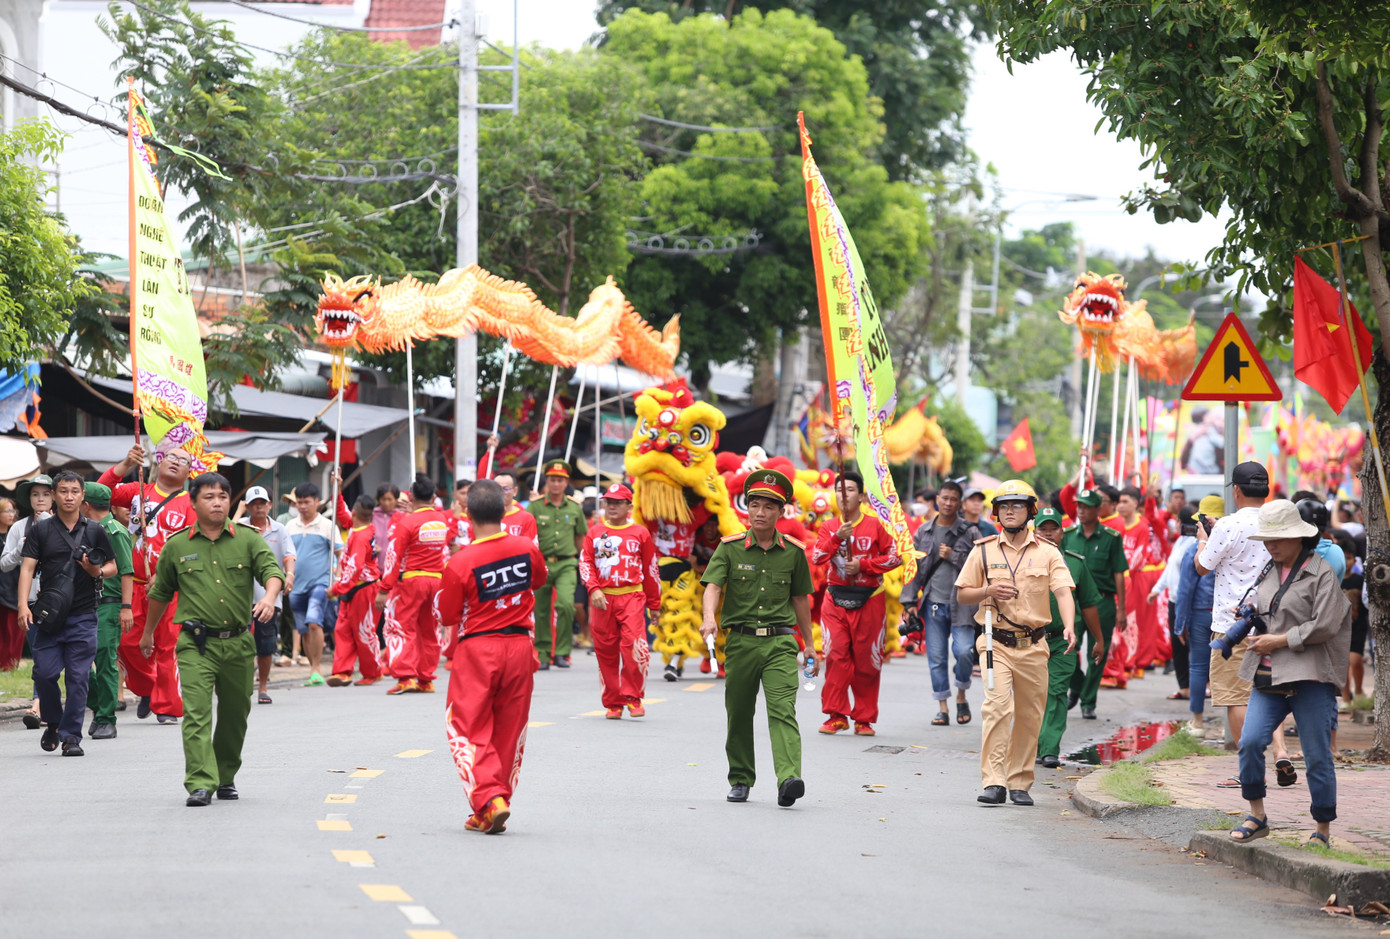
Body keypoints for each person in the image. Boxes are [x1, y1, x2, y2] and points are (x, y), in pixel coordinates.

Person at [141, 472, 283, 806]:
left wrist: (268, 598)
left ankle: (225, 775)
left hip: (237, 642)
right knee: (196, 713)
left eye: (222, 496)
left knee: (235, 715)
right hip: (195, 644)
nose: (217, 502)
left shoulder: (248, 539)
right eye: (209, 496)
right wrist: (148, 632)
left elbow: (272, 572)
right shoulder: (177, 545)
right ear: (193, 502)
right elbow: (160, 593)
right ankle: (201, 782)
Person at [1227, 500, 1351, 847]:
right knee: (1250, 743)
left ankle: (1322, 830)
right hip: (1267, 677)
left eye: (1278, 539)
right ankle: (1257, 815)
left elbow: (1326, 625)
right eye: (1267, 539)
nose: (1271, 545)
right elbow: (1265, 607)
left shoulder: (1322, 572)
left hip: (1309, 677)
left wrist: (1279, 640)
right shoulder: (1268, 568)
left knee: (1316, 756)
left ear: (1299, 537)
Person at [436, 479, 548, 834]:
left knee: (466, 727)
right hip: (519, 647)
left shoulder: (460, 561)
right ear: (505, 510)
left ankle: (489, 797)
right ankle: (492, 805)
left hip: (478, 649)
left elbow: (449, 616)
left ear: (467, 514)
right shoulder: (526, 548)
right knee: (509, 728)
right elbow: (539, 580)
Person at [701, 469, 817, 807]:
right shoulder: (730, 549)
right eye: (754, 504)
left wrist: (809, 644)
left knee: (783, 709)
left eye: (769, 506)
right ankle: (740, 777)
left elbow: (799, 599)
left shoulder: (793, 552)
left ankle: (788, 778)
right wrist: (710, 617)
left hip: (781, 643)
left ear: (781, 513)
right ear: (746, 508)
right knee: (739, 712)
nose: (760, 512)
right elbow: (713, 587)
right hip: (740, 642)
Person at [954, 479, 1075, 805]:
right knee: (996, 708)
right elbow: (963, 593)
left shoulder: (1048, 552)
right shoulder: (983, 550)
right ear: (996, 512)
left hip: (1034, 646)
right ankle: (993, 781)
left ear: (1029, 511)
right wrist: (988, 592)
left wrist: (1069, 627)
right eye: (1004, 506)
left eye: (1017, 505)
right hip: (995, 642)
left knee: (1029, 715)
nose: (1009, 511)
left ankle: (1019, 781)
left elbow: (1063, 590)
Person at [16, 472, 117, 756]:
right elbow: (26, 568)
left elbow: (112, 566)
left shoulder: (96, 530)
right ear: (55, 495)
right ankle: (53, 722)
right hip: (48, 617)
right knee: (44, 674)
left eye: (74, 491)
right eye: (63, 491)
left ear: (83, 495)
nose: (69, 496)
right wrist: (23, 605)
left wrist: (95, 571)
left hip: (84, 615)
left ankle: (72, 736)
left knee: (78, 677)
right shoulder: (41, 530)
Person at [99, 444, 196, 724]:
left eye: (184, 460)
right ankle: (149, 689)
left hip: (168, 588)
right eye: (172, 457)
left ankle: (166, 706)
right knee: (127, 644)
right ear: (160, 462)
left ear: (189, 472)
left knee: (167, 646)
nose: (176, 462)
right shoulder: (138, 491)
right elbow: (101, 492)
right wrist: (127, 463)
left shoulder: (189, 503)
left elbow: (190, 546)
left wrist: (167, 572)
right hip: (134, 585)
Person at [809, 470, 903, 737]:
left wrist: (863, 565)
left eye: (849, 490)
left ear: (861, 496)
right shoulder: (829, 527)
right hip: (835, 600)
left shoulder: (876, 526)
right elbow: (816, 557)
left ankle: (864, 719)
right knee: (836, 656)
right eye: (839, 490)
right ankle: (836, 715)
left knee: (868, 662)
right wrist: (837, 536)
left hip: (870, 601)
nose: (843, 495)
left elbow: (895, 557)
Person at [1196, 462, 1270, 786]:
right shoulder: (1278, 523)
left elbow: (1202, 567)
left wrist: (1203, 539)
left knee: (1236, 698)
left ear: (1236, 491)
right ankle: (1275, 756)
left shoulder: (1227, 526)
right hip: (1272, 623)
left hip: (1232, 625)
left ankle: (1248, 771)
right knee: (1267, 694)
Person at [899, 479, 977, 726]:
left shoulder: (970, 532)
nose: (948, 503)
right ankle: (942, 706)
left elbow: (979, 568)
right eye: (944, 498)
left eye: (954, 499)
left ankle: (961, 695)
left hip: (962, 604)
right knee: (937, 657)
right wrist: (909, 602)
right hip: (933, 602)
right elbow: (914, 568)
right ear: (937, 500)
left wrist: (952, 556)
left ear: (959, 503)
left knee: (964, 652)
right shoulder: (923, 531)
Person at [578, 483, 660, 719]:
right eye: (608, 502)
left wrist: (654, 604)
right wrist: (593, 589)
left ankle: (633, 697)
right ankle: (614, 702)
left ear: (629, 506)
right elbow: (585, 563)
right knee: (606, 651)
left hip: (632, 596)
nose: (612, 507)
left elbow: (650, 569)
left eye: (617, 503)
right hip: (602, 600)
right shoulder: (594, 532)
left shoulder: (640, 533)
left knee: (634, 647)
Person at [1032, 507, 1103, 768]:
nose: (1049, 533)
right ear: (1034, 531)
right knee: (1034, 693)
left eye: (1054, 529)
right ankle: (1035, 744)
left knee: (1057, 690)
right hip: (1029, 638)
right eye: (1043, 528)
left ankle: (1049, 747)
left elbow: (1088, 605)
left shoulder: (1074, 562)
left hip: (1062, 639)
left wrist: (1099, 639)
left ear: (1063, 532)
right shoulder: (1023, 560)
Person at [378, 474, 451, 694]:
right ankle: (425, 678)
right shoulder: (443, 520)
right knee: (430, 630)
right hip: (436, 581)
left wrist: (384, 588)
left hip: (411, 581)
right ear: (434, 496)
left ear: (411, 496)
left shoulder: (406, 522)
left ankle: (405, 676)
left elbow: (393, 557)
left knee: (401, 627)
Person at [1063, 488, 1128, 719]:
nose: (1081, 510)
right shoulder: (1068, 535)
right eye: (1078, 506)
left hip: (1102, 601)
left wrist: (1121, 609)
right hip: (1072, 601)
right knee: (1066, 649)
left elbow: (1119, 573)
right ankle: (1078, 686)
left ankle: (1088, 702)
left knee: (1097, 654)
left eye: (1086, 506)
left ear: (1098, 510)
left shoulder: (1111, 537)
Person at [82, 482, 133, 740]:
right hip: (85, 602)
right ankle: (98, 705)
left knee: (104, 657)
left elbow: (126, 571)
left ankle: (106, 717)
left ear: (86, 505)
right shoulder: (87, 529)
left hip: (110, 602)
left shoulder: (114, 531)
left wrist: (126, 607)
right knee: (76, 659)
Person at [237, 486, 296, 704]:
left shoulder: (279, 529)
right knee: (241, 643)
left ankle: (262, 686)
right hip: (241, 597)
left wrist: (289, 575)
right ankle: (241, 684)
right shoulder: (240, 526)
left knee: (266, 643)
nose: (259, 507)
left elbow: (289, 555)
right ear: (247, 506)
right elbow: (226, 535)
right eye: (254, 503)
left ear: (270, 505)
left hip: (269, 597)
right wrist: (238, 512)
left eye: (263, 503)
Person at [4, 475, 54, 726]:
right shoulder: (19, 527)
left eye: (46, 494)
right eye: (36, 495)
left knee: (73, 657)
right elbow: (4, 565)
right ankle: (39, 704)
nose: (41, 499)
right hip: (32, 602)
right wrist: (20, 549)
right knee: (41, 655)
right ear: (29, 499)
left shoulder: (64, 524)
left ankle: (51, 704)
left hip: (63, 602)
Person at [528, 461, 587, 669]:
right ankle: (543, 653)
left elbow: (580, 537)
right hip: (541, 563)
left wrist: (583, 563)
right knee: (541, 610)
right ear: (547, 482)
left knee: (565, 605)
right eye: (552, 480)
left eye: (560, 480)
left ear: (566, 483)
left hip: (566, 563)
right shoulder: (535, 507)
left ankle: (562, 652)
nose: (555, 484)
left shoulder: (574, 507)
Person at [283, 482, 340, 687]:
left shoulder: (327, 526)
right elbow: (284, 554)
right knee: (304, 628)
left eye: (307, 502)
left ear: (317, 502)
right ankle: (312, 669)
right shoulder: (289, 526)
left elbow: (340, 552)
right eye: (299, 502)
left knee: (314, 621)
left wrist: (337, 578)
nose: (302, 506)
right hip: (296, 585)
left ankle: (317, 668)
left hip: (321, 583)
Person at [1175, 498, 1220, 736]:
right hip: (1227, 615)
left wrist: (1180, 623)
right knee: (1229, 668)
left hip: (1201, 615)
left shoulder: (1193, 550)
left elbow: (1185, 590)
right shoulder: (1231, 546)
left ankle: (1198, 722)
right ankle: (1229, 725)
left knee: (1198, 667)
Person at [327, 495, 383, 686]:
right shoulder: (360, 527)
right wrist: (339, 490)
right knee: (342, 629)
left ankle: (372, 672)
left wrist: (335, 589)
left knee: (363, 631)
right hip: (353, 588)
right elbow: (343, 515)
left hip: (363, 588)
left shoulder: (360, 536)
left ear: (356, 512)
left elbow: (354, 569)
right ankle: (342, 671)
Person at [1115, 485, 1168, 675]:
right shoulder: (1117, 524)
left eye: (1125, 502)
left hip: (1141, 576)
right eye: (1119, 502)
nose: (1120, 506)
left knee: (1142, 621)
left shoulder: (1143, 524)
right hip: (1124, 577)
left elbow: (1137, 557)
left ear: (1136, 504)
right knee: (1128, 620)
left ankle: (1140, 663)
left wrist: (1120, 573)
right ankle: (1128, 660)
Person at [1151, 502, 1198, 699]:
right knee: (1178, 645)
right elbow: (1170, 569)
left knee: (1191, 645)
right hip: (1174, 600)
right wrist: (1156, 590)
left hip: (1187, 602)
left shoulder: (1195, 544)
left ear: (1179, 522)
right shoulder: (1179, 542)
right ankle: (1184, 687)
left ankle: (1199, 686)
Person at [0, 496, 22, 672]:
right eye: (7, 510)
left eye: (13, 510)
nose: (11, 514)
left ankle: (11, 663)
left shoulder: (16, 534)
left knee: (15, 629)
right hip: (2, 586)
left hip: (15, 586)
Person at [372, 483, 403, 565]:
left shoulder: (401, 518)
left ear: (396, 500)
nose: (386, 503)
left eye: (390, 499)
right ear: (378, 499)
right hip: (373, 566)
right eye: (383, 499)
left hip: (393, 565)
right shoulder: (371, 515)